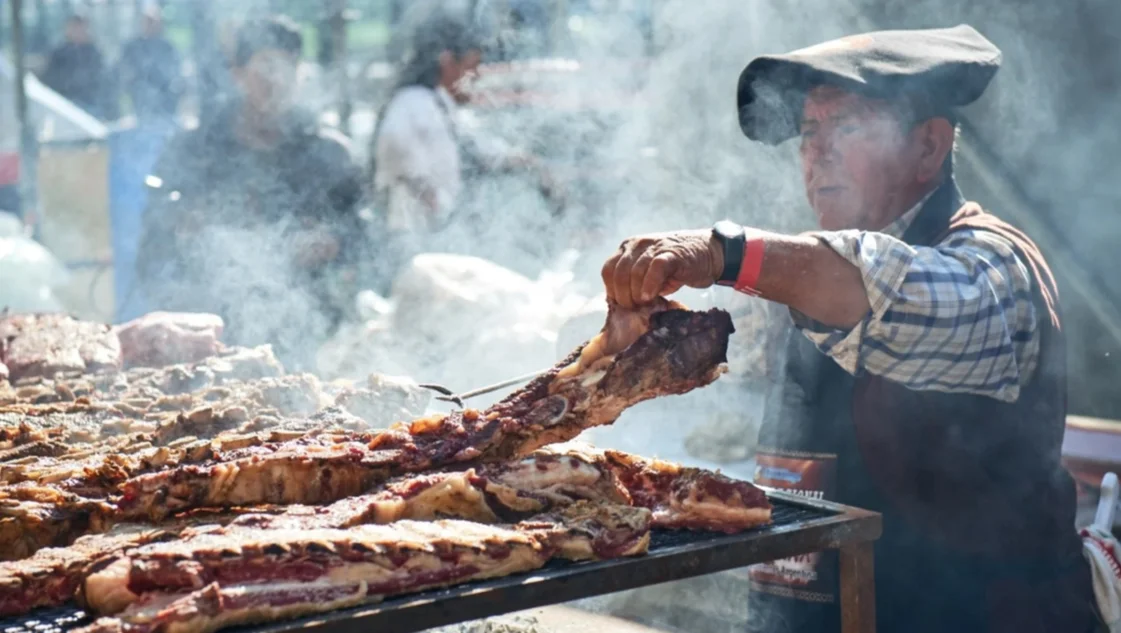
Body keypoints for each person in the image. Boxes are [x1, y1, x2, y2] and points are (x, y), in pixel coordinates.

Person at [600, 25, 1101, 633]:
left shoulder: (993, 266)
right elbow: (740, 324)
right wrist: (628, 336)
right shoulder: (805, 274)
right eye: (810, 132)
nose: (819, 152)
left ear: (929, 148)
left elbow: (891, 292)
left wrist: (721, 252)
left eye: (850, 126)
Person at [134, 15, 367, 371]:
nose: (276, 79)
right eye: (266, 65)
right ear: (237, 73)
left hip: (312, 336)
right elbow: (153, 242)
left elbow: (365, 235)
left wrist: (333, 242)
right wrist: (186, 229)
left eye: (287, 66)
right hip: (210, 337)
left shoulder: (330, 154)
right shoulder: (194, 150)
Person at [369, 13, 562, 289]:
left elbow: (482, 147)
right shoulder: (412, 102)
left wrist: (531, 164)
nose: (476, 77)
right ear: (447, 62)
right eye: (472, 68)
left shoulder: (443, 107)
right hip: (412, 240)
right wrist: (428, 196)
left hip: (438, 238)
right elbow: (395, 145)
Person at [41, 15, 114, 120]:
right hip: (65, 107)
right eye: (73, 27)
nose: (77, 31)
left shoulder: (94, 54)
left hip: (92, 107)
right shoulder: (58, 54)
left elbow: (105, 83)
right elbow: (49, 81)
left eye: (79, 27)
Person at [117, 5, 183, 121]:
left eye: (153, 22)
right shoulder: (132, 47)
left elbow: (174, 73)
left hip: (165, 104)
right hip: (139, 101)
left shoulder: (167, 47)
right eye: (147, 22)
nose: (150, 25)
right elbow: (124, 72)